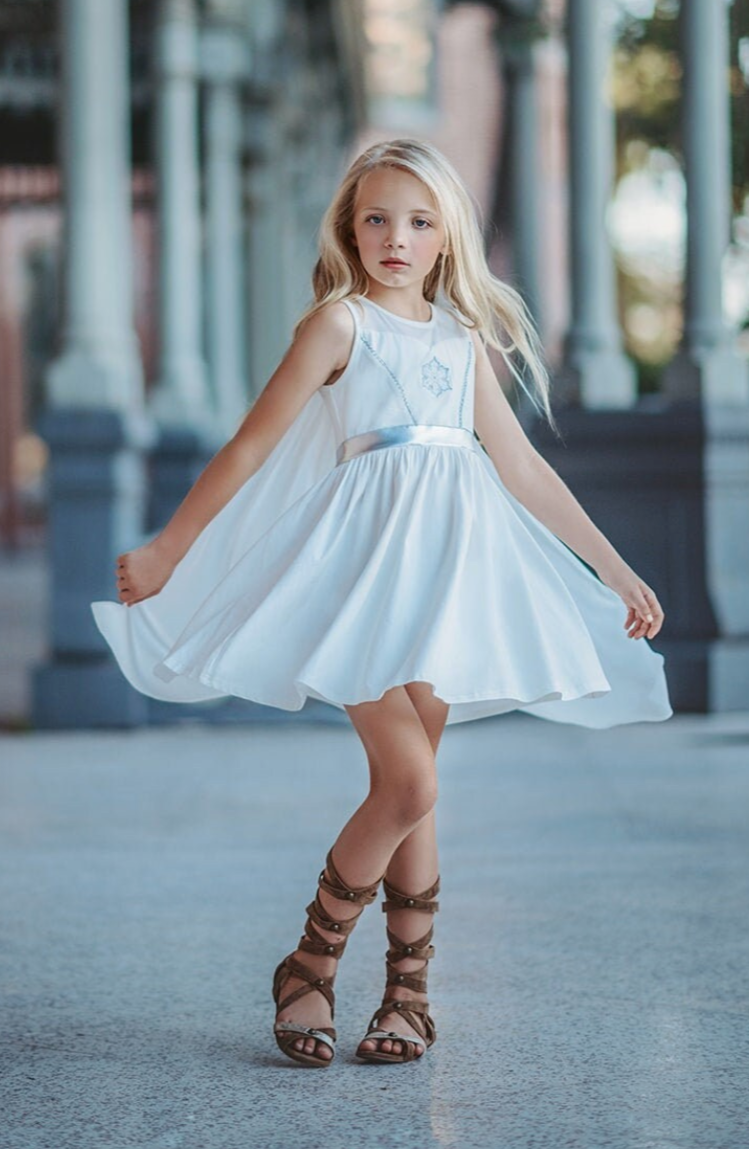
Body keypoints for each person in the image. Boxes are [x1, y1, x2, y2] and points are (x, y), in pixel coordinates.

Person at [91, 138, 671, 1069]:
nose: (394, 238)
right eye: (375, 218)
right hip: (355, 578)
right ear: (348, 228)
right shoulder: (338, 327)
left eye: (417, 221)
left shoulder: (458, 338)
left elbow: (517, 465)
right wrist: (168, 549)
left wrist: (609, 566)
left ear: (446, 238)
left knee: (413, 790)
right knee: (411, 781)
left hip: (448, 577)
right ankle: (310, 960)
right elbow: (247, 449)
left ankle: (408, 994)